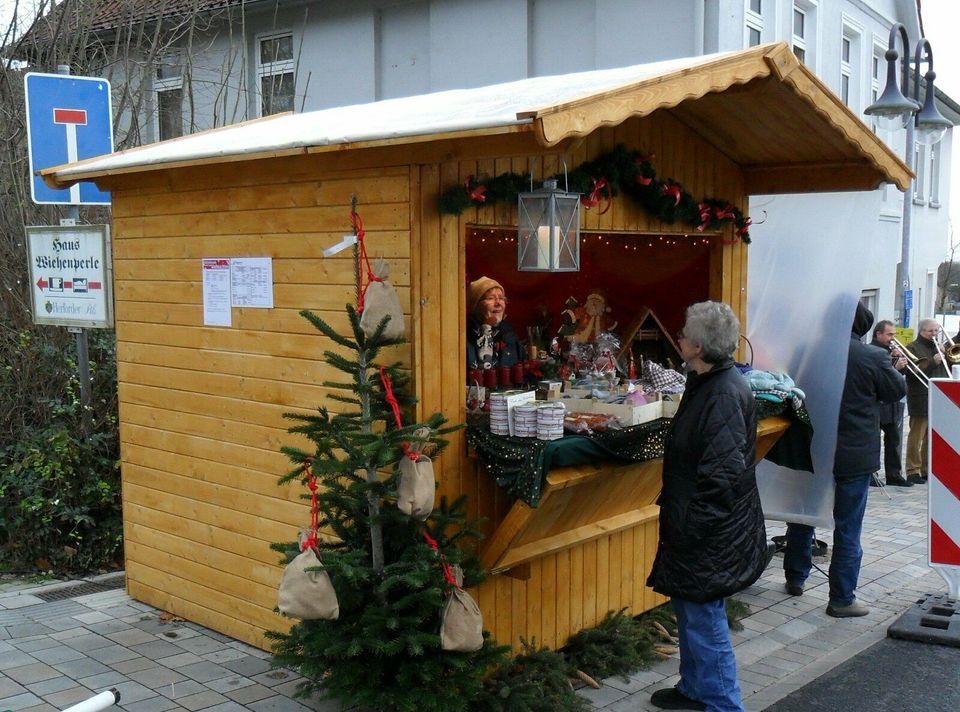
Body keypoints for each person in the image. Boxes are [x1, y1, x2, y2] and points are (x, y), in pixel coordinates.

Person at [647, 301, 766, 712]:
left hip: (709, 529)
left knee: (705, 619)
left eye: (683, 333)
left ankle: (723, 703)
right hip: (695, 522)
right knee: (691, 611)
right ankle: (695, 690)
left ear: (698, 346)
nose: (677, 337)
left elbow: (721, 480)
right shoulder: (706, 383)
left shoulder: (723, 395)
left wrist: (691, 528)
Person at [783, 303, 905, 618]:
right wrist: (896, 369)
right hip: (854, 455)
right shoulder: (873, 356)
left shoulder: (805, 351)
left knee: (802, 514)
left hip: (812, 449)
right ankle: (841, 599)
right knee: (848, 527)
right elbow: (894, 392)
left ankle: (795, 577)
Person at [904, 318, 948, 484]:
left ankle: (926, 468)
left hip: (938, 395)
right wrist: (932, 361)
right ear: (922, 331)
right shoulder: (912, 347)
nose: (934, 334)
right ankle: (912, 470)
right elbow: (912, 372)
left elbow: (949, 367)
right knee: (917, 435)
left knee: (932, 435)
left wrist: (946, 356)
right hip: (920, 396)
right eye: (931, 331)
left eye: (936, 331)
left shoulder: (939, 347)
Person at [869, 320, 911, 487]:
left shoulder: (890, 351)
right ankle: (871, 474)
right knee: (873, 441)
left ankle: (894, 474)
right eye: (889, 335)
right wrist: (894, 366)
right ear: (878, 334)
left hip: (891, 403)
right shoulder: (872, 352)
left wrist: (901, 365)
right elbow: (878, 377)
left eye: (894, 334)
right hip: (877, 403)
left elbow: (897, 378)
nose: (892, 338)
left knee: (894, 440)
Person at [466, 276, 523, 376]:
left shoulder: (510, 337)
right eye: (490, 298)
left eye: (501, 298)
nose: (498, 303)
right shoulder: (464, 337)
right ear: (476, 306)